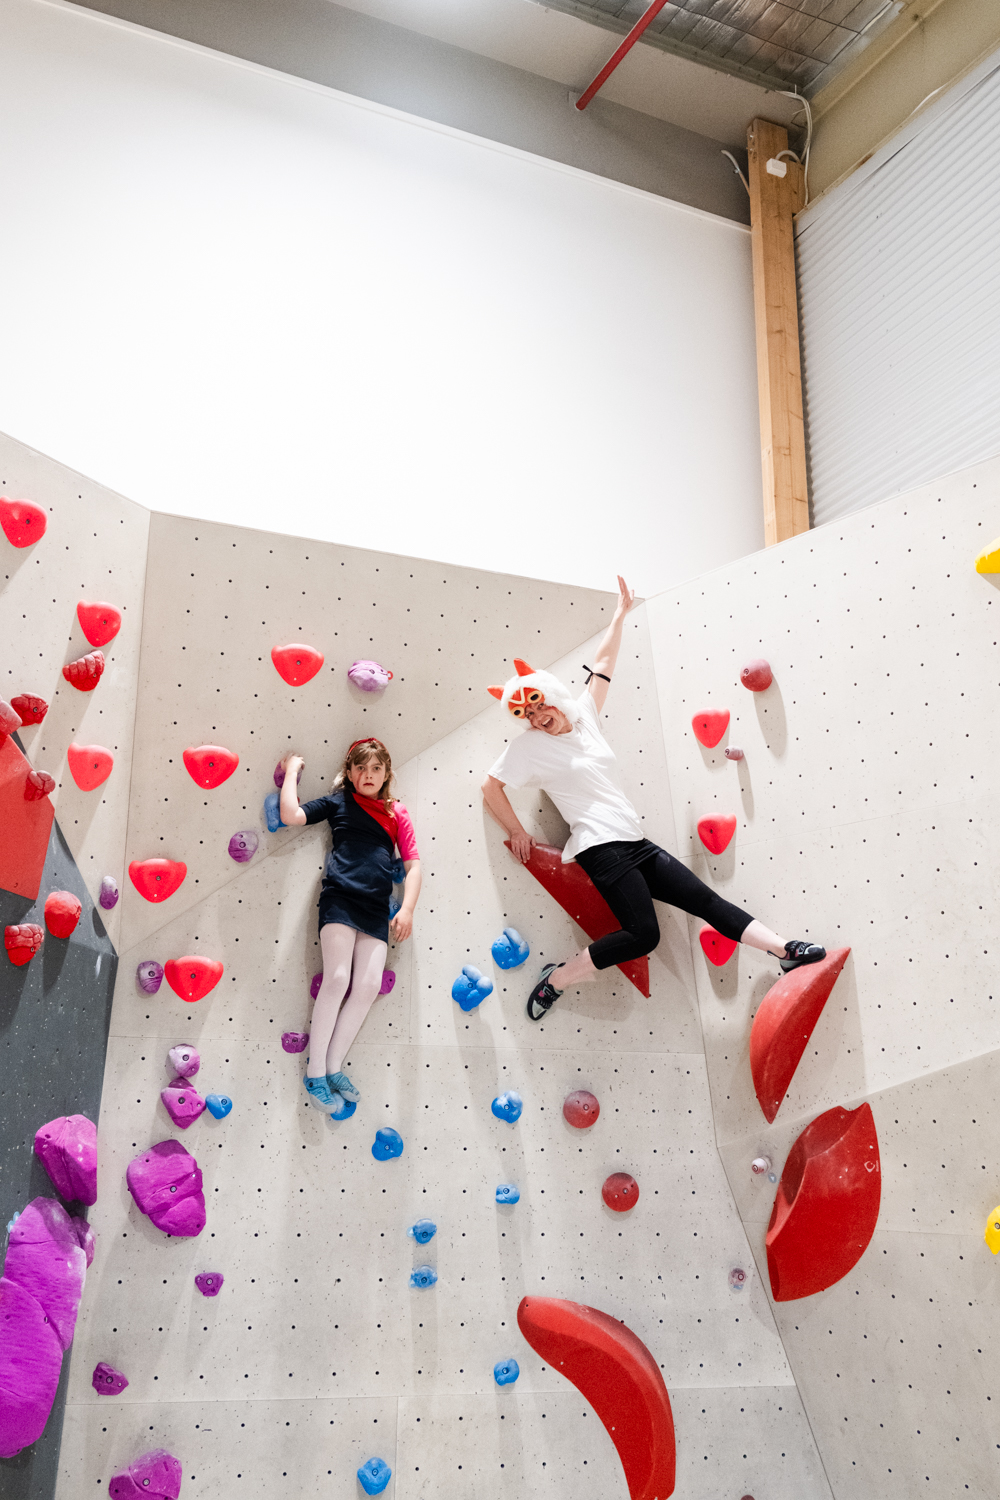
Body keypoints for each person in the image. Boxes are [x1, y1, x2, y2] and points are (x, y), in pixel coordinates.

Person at [481, 576, 825, 1021]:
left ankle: (785, 950)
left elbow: (603, 663)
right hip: (599, 847)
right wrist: (516, 830)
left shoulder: (584, 717)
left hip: (633, 839)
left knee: (705, 902)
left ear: (553, 697)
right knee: (643, 935)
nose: (535, 716)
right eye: (525, 714)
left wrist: (620, 614)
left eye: (538, 705)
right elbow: (490, 786)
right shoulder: (529, 746)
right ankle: (557, 979)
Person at [279, 737, 421, 1109]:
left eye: (376, 768)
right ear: (350, 772)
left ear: (386, 773)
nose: (368, 774)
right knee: (338, 978)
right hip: (340, 898)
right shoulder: (340, 802)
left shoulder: (397, 812)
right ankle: (315, 1074)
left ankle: (333, 1067)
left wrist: (407, 908)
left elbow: (413, 866)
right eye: (361, 768)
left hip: (375, 909)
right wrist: (292, 771)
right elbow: (291, 816)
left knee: (369, 985)